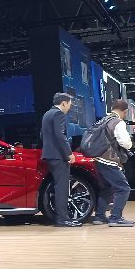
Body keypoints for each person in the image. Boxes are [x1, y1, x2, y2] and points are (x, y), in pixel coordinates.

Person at [89, 100, 135, 227]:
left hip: (98, 159)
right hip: (109, 160)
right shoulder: (118, 122)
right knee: (124, 188)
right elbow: (125, 143)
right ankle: (115, 217)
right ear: (125, 111)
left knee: (107, 187)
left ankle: (99, 216)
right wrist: (130, 143)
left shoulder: (103, 120)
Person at [41, 92, 80, 227]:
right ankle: (63, 219)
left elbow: (42, 135)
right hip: (58, 156)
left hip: (49, 155)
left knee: (58, 186)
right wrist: (69, 153)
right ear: (64, 103)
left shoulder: (47, 114)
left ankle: (61, 217)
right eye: (69, 104)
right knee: (62, 188)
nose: (70, 107)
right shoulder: (58, 114)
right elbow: (60, 135)